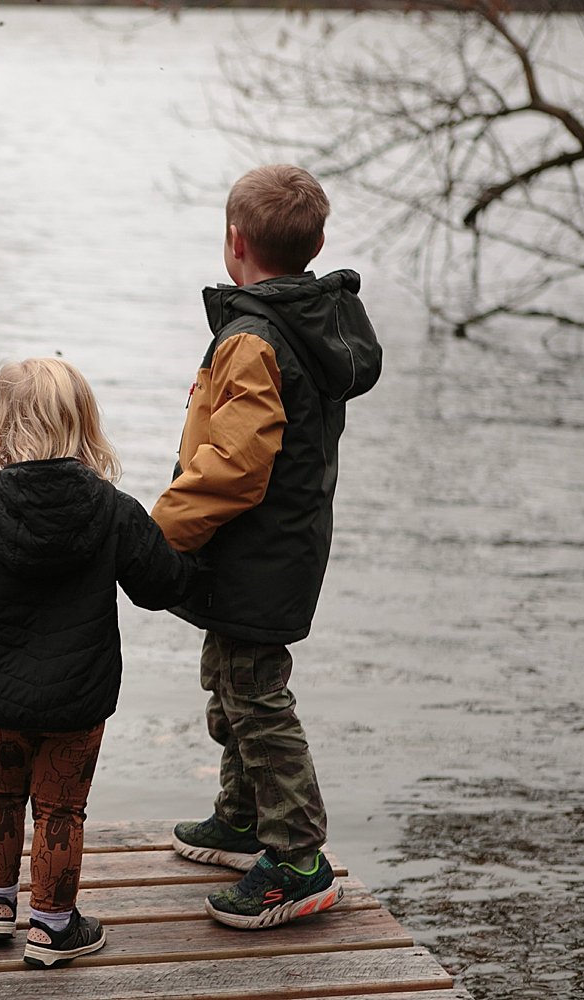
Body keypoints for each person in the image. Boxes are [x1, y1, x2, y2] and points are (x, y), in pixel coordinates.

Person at [151, 164, 383, 930]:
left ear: (234, 242)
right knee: (230, 675)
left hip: (257, 546)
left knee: (255, 694)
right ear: (317, 244)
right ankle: (244, 817)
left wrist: (154, 535)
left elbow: (236, 467)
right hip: (279, 543)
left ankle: (299, 859)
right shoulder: (307, 319)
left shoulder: (253, 339)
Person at [0, 357, 201, 967]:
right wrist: (202, 558)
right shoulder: (114, 511)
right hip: (78, 700)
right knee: (61, 810)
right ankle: (52, 926)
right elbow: (160, 584)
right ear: (83, 426)